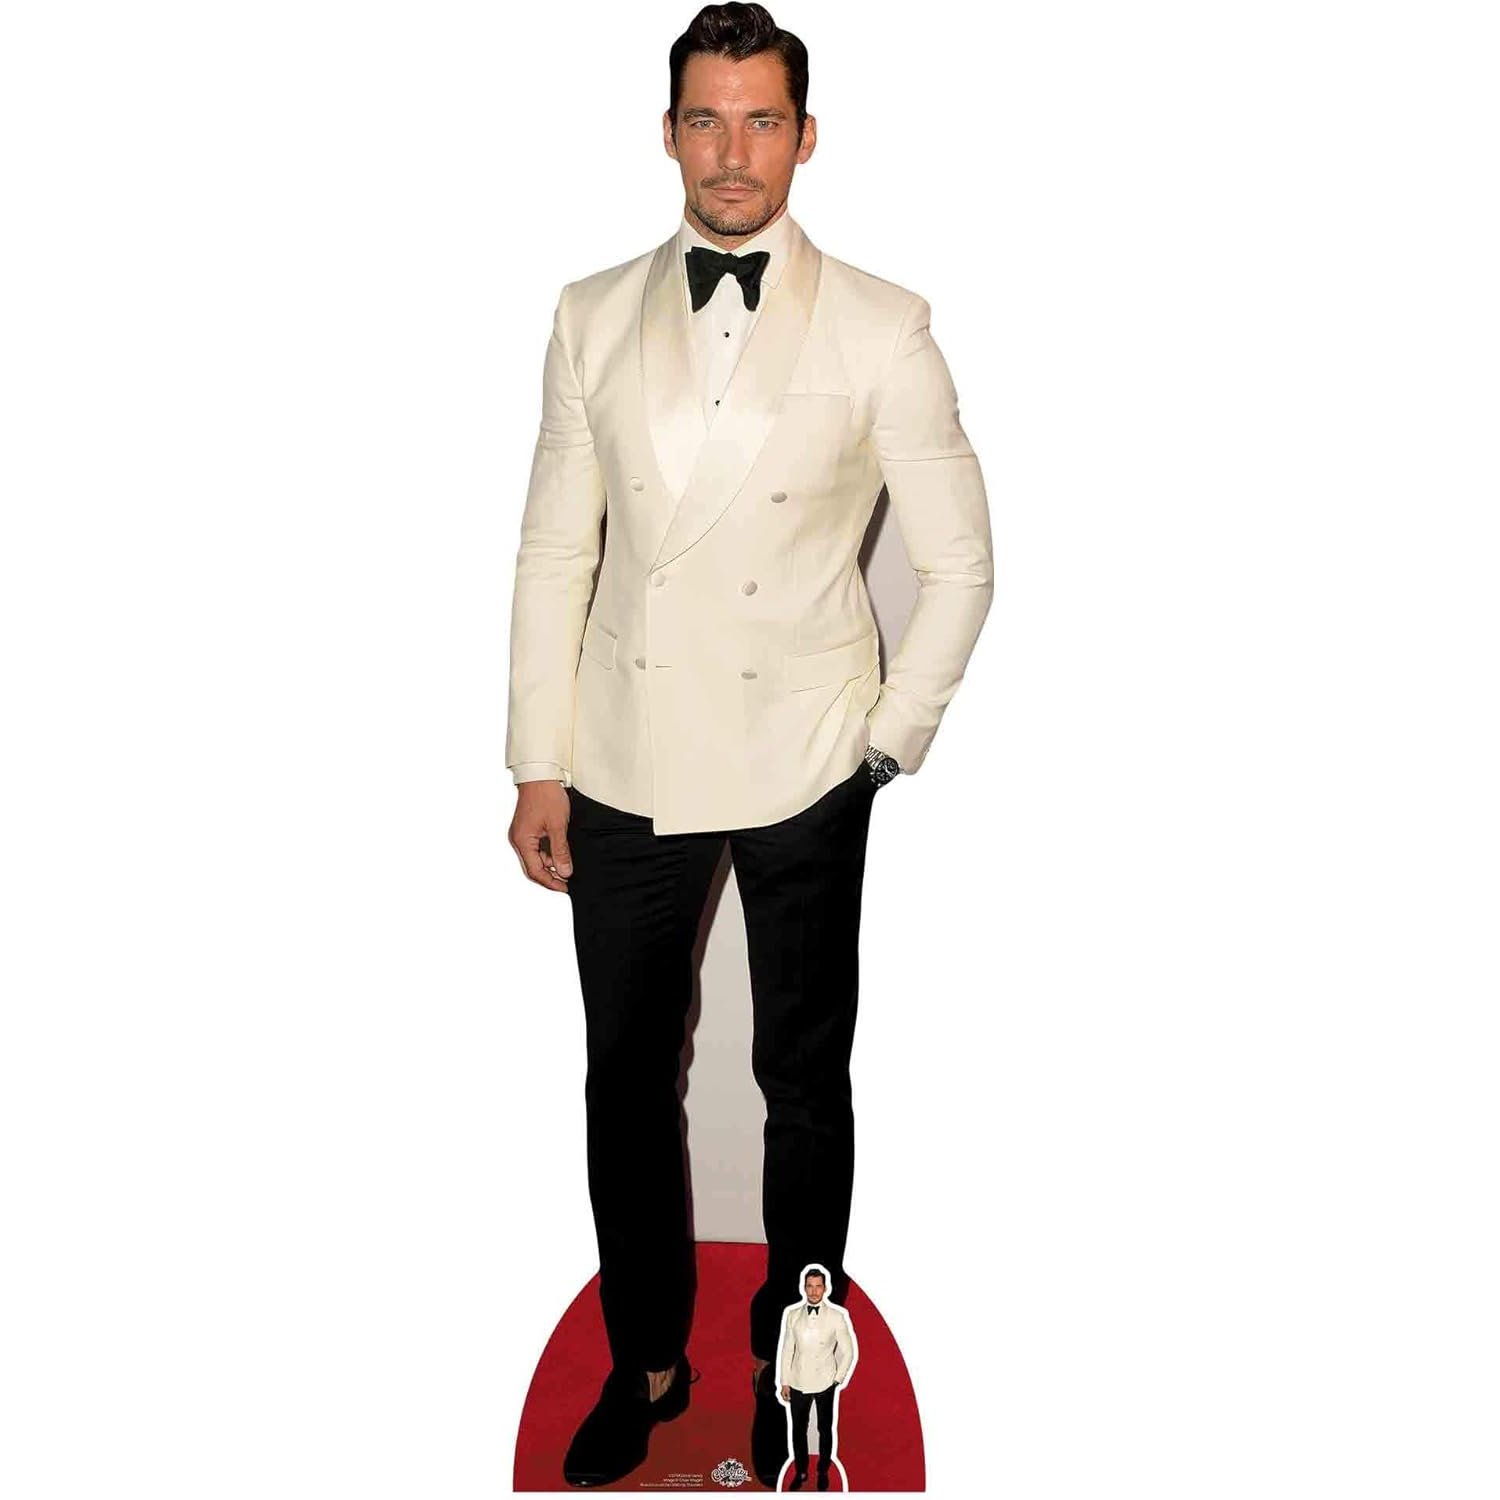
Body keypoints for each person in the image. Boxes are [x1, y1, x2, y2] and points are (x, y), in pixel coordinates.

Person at [504, 3, 993, 1487]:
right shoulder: (588, 312)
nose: (734, 152)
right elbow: (555, 548)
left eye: (762, 120)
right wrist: (536, 757)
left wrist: (885, 745)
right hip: (625, 748)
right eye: (707, 119)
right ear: (668, 133)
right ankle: (647, 1364)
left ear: (806, 135)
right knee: (623, 1079)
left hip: (806, 756)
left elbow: (962, 563)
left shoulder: (884, 323)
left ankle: (797, 1371)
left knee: (804, 1080)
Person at [776, 1268, 857, 1491]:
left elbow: (848, 1351)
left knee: (825, 1429)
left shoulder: (836, 1317)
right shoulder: (792, 1315)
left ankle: (823, 1471)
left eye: (818, 1286)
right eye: (809, 1286)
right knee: (798, 1431)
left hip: (825, 1382)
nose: (813, 1291)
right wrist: (784, 1381)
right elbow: (787, 1350)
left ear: (825, 1288)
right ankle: (801, 1471)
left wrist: (837, 1379)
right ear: (804, 1288)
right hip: (798, 1380)